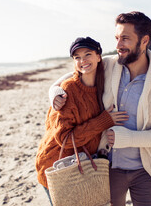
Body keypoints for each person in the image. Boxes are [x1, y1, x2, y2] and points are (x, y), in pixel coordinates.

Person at [50, 11, 151, 206]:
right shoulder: (110, 65)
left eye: (125, 38)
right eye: (117, 38)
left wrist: (129, 138)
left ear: (144, 41)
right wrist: (54, 91)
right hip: (106, 168)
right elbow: (74, 74)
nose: (118, 45)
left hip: (146, 171)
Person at [35, 37, 129, 205]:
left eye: (87, 54)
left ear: (99, 56)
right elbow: (64, 138)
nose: (83, 61)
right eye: (77, 57)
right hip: (58, 165)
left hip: (83, 166)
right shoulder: (68, 89)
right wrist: (103, 121)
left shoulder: (102, 85)